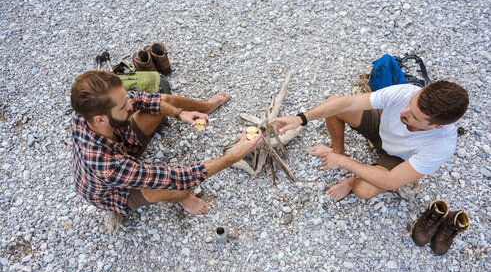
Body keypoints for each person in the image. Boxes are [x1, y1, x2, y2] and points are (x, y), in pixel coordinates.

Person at [70, 71, 262, 218]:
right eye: (123, 106)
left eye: (125, 98)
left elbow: (144, 100)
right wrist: (235, 155)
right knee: (178, 188)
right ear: (100, 119)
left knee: (163, 101)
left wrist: (181, 113)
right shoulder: (107, 167)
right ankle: (183, 199)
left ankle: (207, 106)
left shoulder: (88, 114)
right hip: (116, 191)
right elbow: (179, 177)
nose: (130, 105)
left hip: (120, 143)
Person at [269, 81, 468, 201]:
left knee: (363, 190)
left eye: (413, 116)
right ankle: (338, 150)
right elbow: (345, 102)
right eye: (409, 104)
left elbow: (391, 182)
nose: (403, 112)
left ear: (436, 126)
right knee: (334, 105)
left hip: (398, 158)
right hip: (381, 129)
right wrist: (300, 119)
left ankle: (350, 179)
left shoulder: (442, 145)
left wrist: (342, 164)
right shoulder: (407, 92)